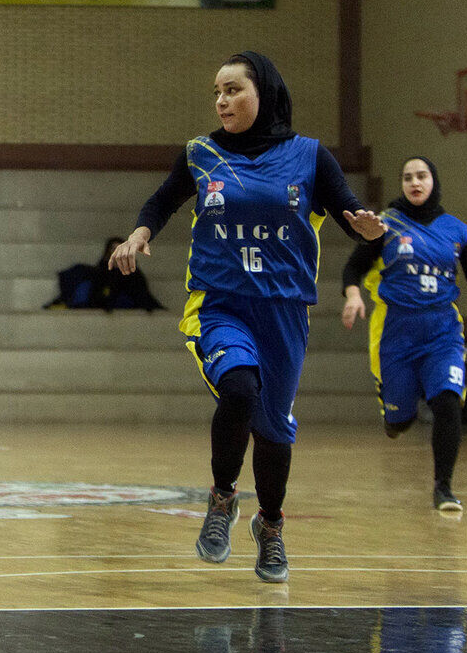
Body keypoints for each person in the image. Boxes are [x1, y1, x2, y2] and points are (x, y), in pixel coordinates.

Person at [108, 51, 386, 583]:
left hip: (282, 310)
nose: (221, 100)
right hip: (220, 302)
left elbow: (351, 214)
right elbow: (163, 200)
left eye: (233, 89)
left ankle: (272, 526)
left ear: (264, 92)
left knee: (274, 429)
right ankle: (221, 499)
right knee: (239, 389)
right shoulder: (201, 153)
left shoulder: (309, 156)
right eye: (217, 91)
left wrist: (367, 229)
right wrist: (139, 234)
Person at [340, 156, 467, 511]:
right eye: (407, 177)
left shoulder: (457, 229)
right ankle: (395, 414)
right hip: (398, 333)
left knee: (448, 403)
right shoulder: (386, 226)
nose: (415, 182)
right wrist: (352, 295)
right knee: (400, 420)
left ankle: (444, 489)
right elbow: (353, 267)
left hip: (443, 332)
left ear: (433, 181)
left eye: (421, 176)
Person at [45, 236, 164, 310]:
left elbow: (140, 294)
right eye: (113, 249)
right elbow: (97, 292)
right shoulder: (101, 270)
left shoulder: (133, 273)